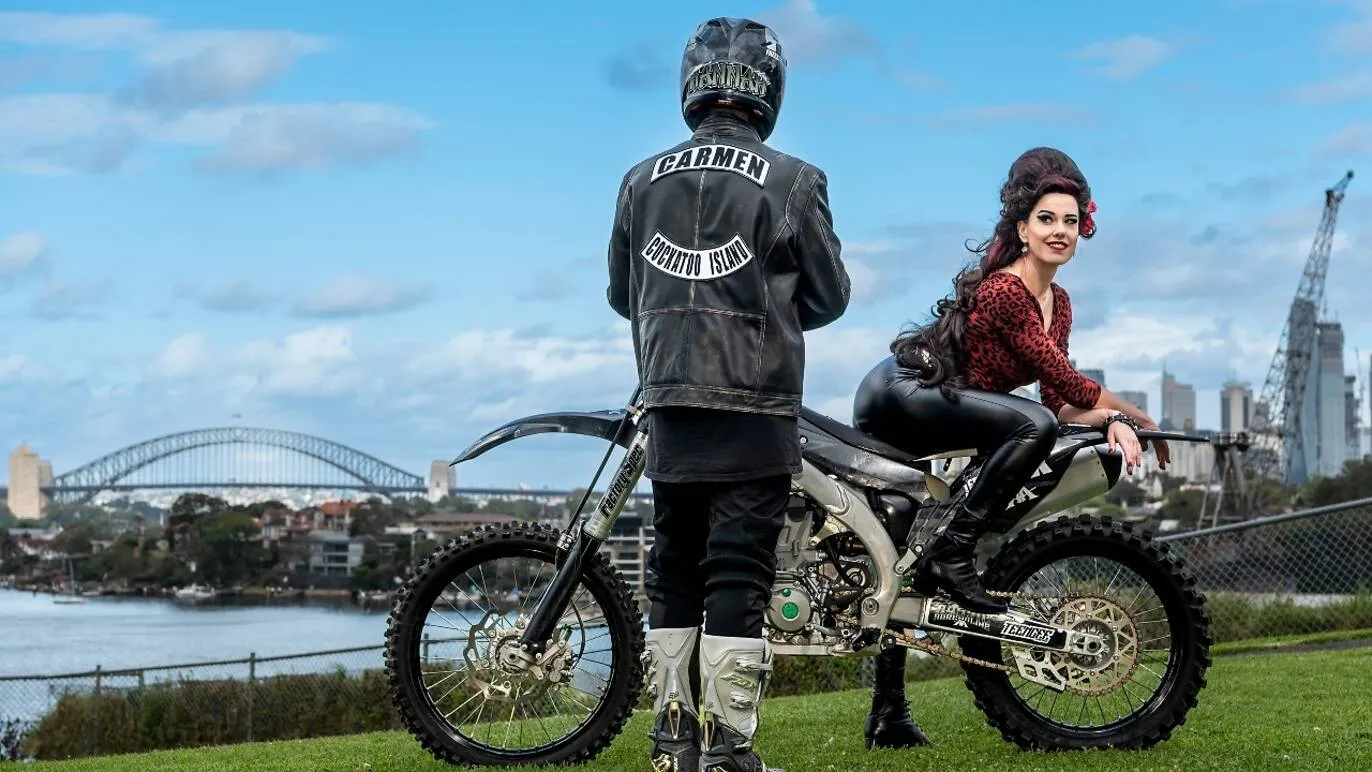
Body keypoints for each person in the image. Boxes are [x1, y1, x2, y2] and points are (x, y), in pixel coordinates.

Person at [851, 146, 1171, 750]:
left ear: (1084, 231)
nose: (1059, 231)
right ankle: (957, 550)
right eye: (1047, 219)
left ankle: (888, 713)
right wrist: (1131, 415)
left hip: (947, 410)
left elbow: (1058, 400)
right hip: (901, 393)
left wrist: (1109, 423)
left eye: (1070, 222)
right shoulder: (1005, 292)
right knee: (1026, 431)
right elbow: (1066, 396)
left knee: (903, 547)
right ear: (1023, 228)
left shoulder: (1061, 303)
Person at [605, 16, 851, 772]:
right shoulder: (795, 179)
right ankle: (730, 754)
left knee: (673, 570)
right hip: (757, 405)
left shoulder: (639, 181)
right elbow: (831, 294)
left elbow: (624, 294)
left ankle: (672, 745)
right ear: (768, 86)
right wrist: (768, 311)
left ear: (693, 83)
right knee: (737, 574)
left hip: (672, 401)